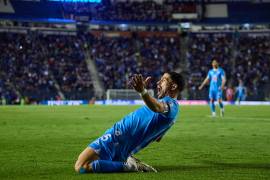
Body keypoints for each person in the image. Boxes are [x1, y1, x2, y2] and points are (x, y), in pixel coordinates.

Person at [74, 72, 185, 173]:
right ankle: (127, 161)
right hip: (123, 145)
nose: (158, 82)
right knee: (88, 164)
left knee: (81, 166)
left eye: (163, 80)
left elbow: (157, 107)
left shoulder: (170, 104)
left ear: (173, 86)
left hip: (117, 138)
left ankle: (131, 166)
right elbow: (158, 137)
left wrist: (143, 91)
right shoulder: (172, 111)